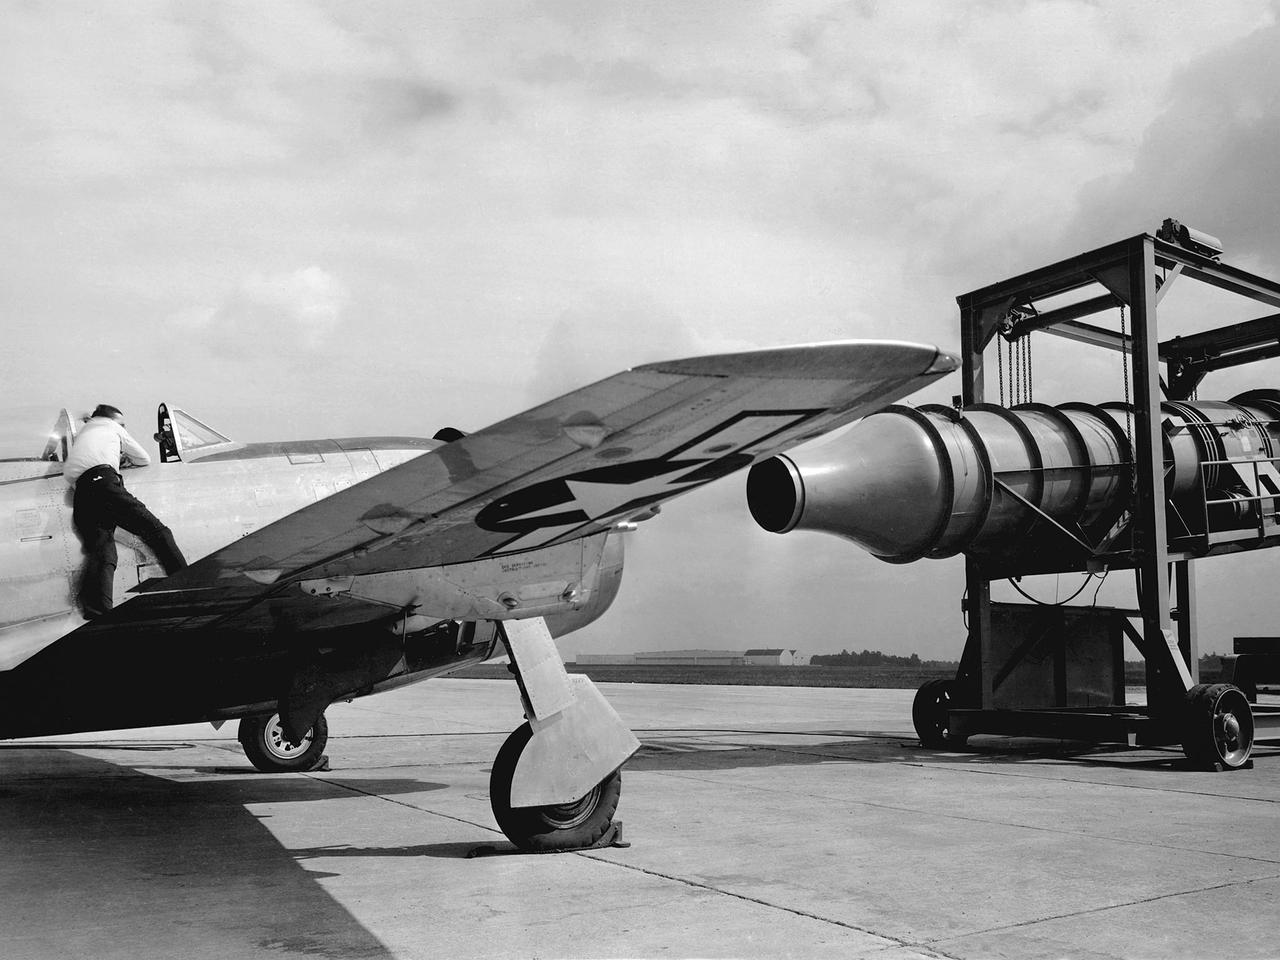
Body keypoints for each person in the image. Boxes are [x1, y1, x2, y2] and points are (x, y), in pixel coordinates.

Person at [65, 404, 187, 617]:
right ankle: (190, 589)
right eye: (122, 423)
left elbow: (76, 470)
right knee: (158, 532)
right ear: (112, 420)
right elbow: (143, 458)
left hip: (82, 494)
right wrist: (124, 460)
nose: (123, 427)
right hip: (105, 484)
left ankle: (97, 612)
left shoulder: (84, 436)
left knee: (102, 551)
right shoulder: (111, 427)